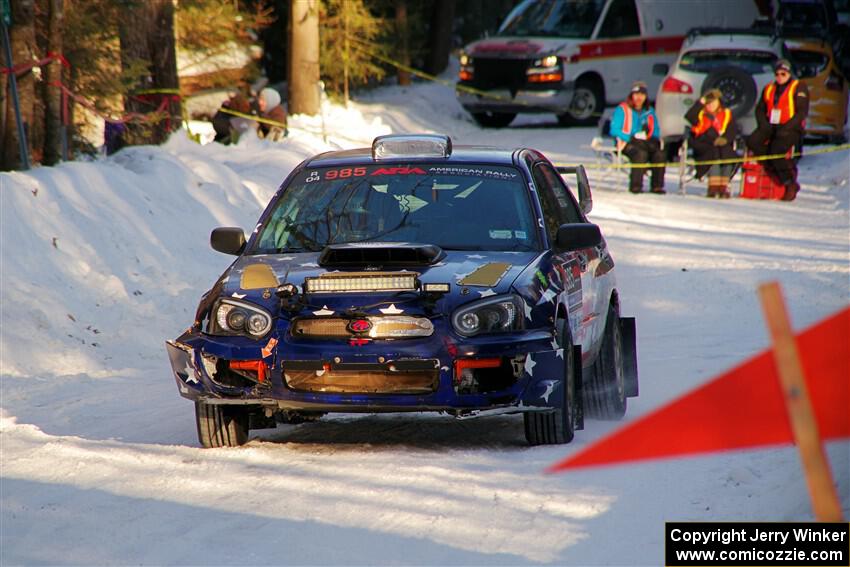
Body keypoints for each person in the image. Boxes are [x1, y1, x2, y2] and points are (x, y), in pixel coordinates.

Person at [746, 59, 809, 201]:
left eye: (783, 74)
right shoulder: (769, 88)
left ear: (789, 74)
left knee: (776, 150)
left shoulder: (798, 87)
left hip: (790, 128)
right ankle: (774, 167)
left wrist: (787, 128)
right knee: (752, 141)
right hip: (770, 125)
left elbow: (801, 112)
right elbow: (760, 109)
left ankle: (789, 183)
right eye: (777, 74)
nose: (780, 77)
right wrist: (763, 124)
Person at [610, 81, 666, 194]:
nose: (639, 98)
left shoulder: (649, 111)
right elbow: (614, 129)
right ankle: (636, 186)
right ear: (631, 95)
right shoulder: (622, 109)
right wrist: (630, 137)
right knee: (640, 154)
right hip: (626, 143)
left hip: (646, 142)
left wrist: (650, 135)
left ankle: (657, 186)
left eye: (642, 95)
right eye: (636, 94)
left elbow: (656, 130)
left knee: (660, 154)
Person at [685, 89, 739, 198]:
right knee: (713, 154)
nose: (710, 105)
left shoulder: (726, 114)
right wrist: (700, 103)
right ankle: (713, 187)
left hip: (722, 145)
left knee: (728, 155)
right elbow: (689, 117)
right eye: (708, 103)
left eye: (713, 102)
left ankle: (723, 187)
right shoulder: (700, 113)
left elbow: (732, 130)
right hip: (703, 144)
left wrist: (725, 139)